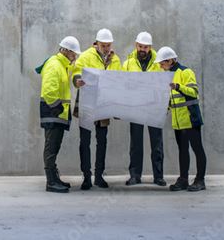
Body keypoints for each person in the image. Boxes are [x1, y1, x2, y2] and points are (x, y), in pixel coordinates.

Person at [71, 28, 122, 190]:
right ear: (96, 43)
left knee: (102, 141)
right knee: (84, 141)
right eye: (103, 45)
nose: (106, 48)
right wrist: (77, 80)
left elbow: (119, 79)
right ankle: (86, 177)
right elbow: (76, 71)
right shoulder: (86, 56)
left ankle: (99, 176)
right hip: (87, 101)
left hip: (104, 103)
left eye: (108, 45)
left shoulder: (115, 60)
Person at [37, 36, 84, 193]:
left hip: (59, 113)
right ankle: (51, 182)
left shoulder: (63, 65)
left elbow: (76, 68)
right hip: (53, 113)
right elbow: (48, 91)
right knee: (51, 148)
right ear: (66, 51)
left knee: (55, 147)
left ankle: (55, 178)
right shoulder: (54, 65)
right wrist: (57, 108)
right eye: (74, 54)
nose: (75, 56)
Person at [157, 46, 207, 192]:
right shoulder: (167, 75)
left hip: (191, 118)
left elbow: (193, 92)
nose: (160, 66)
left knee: (198, 149)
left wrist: (178, 86)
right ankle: (183, 179)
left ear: (171, 60)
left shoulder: (186, 72)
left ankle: (200, 180)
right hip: (178, 120)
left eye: (162, 63)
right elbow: (170, 99)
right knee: (183, 150)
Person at [123, 31, 166, 187]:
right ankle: (135, 176)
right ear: (136, 45)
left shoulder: (159, 62)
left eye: (146, 47)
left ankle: (158, 176)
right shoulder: (127, 63)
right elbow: (122, 85)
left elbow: (165, 84)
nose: (143, 49)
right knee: (136, 144)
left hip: (154, 107)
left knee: (157, 143)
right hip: (136, 108)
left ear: (150, 47)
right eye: (140, 46)